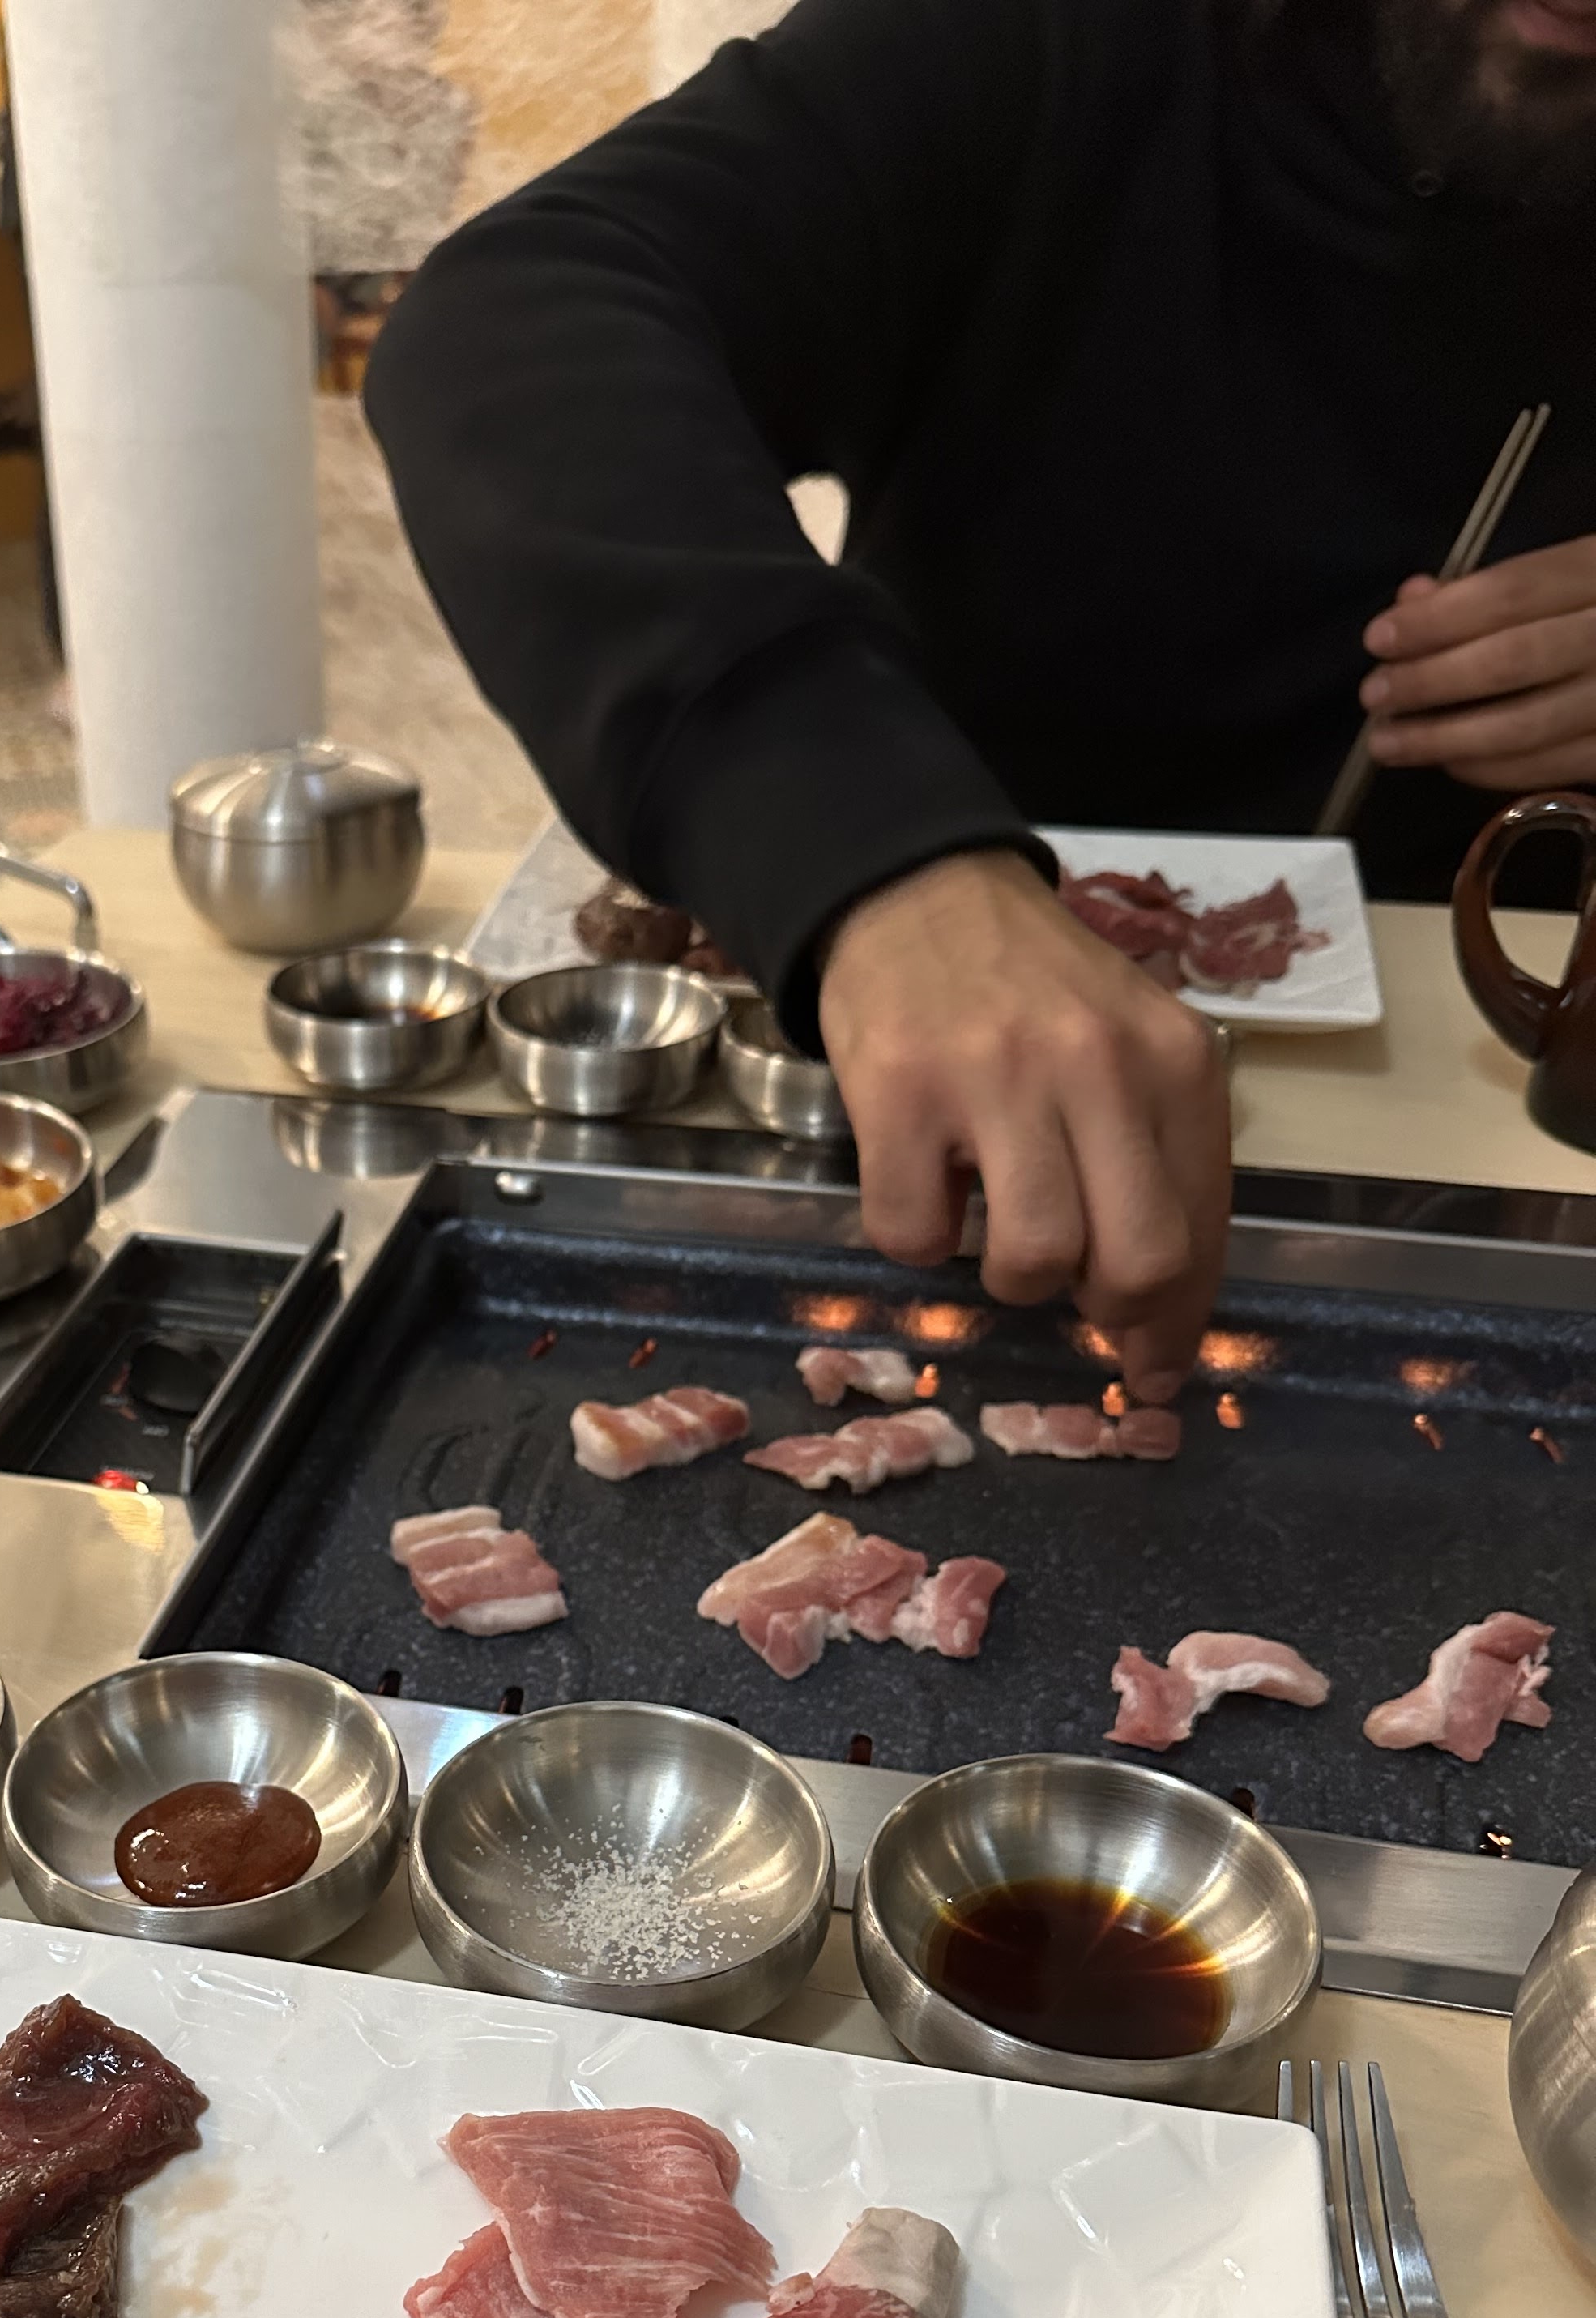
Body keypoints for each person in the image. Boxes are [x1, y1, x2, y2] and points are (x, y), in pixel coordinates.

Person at [366, 0, 1596, 1399]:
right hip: (940, 1069)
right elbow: (519, 315)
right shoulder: (1047, 42)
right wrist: (863, 851)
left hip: (1511, 1113)